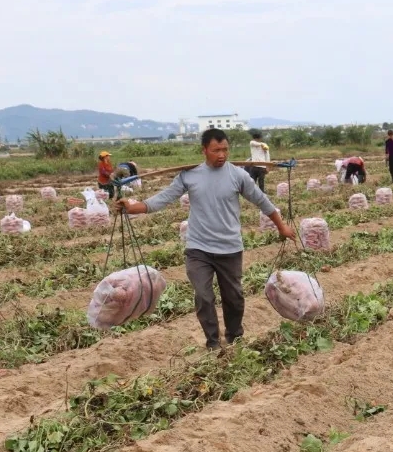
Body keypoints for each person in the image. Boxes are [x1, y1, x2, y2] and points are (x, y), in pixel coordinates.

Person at [114, 129, 296, 350]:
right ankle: (212, 343)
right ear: (204, 150)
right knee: (203, 296)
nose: (221, 155)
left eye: (225, 150)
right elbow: (163, 199)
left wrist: (282, 226)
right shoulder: (190, 176)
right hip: (198, 248)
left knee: (234, 297)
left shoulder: (238, 176)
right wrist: (132, 207)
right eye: (216, 150)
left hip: (229, 248)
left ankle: (234, 336)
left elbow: (262, 201)